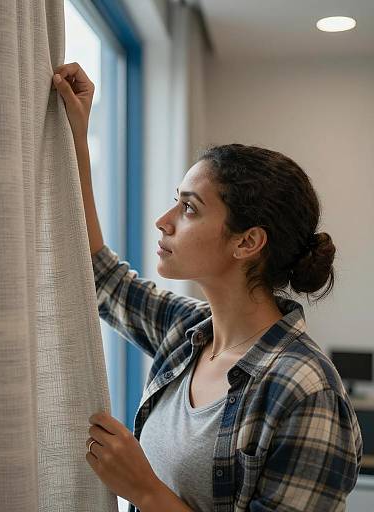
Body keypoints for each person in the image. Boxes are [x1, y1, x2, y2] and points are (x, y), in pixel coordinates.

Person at [52, 63, 363, 512]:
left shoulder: (308, 391)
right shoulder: (189, 331)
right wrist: (76, 137)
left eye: (189, 208)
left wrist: (143, 490)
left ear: (247, 242)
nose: (164, 220)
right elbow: (100, 278)